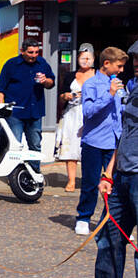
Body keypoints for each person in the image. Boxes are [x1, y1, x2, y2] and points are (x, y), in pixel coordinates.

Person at [73, 40, 138, 278]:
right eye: (132, 60)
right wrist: (109, 173)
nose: (132, 65)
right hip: (121, 172)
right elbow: (125, 133)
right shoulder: (131, 88)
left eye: (134, 60)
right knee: (108, 237)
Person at [76, 47, 126, 235]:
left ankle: (114, 222)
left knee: (115, 184)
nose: (121, 70)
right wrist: (109, 94)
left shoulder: (120, 84)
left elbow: (120, 112)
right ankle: (83, 217)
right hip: (94, 141)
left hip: (114, 141)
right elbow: (88, 112)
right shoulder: (91, 84)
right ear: (106, 63)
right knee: (90, 182)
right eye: (119, 66)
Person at [0, 38, 55, 173]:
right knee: (14, 146)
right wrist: (1, 108)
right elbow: (0, 88)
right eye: (30, 52)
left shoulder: (42, 63)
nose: (34, 55)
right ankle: (13, 174)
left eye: (36, 52)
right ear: (22, 51)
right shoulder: (11, 64)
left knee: (35, 145)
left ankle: (34, 175)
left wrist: (46, 81)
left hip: (35, 112)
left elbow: (51, 82)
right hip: (15, 113)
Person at [56, 46, 95, 192]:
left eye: (88, 58)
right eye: (82, 58)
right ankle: (71, 180)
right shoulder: (70, 75)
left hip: (90, 115)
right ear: (78, 58)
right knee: (71, 147)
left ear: (93, 59)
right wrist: (65, 96)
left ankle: (89, 180)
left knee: (90, 148)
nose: (85, 61)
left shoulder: (98, 75)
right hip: (72, 114)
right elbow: (61, 96)